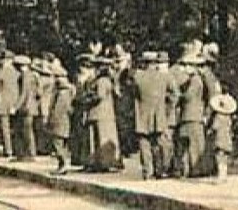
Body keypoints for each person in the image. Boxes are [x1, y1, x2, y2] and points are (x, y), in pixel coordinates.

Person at [170, 42, 209, 179]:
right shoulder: (194, 80)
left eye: (187, 66)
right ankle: (191, 169)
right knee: (191, 144)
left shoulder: (195, 80)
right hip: (192, 115)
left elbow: (188, 97)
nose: (185, 68)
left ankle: (197, 170)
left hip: (192, 115)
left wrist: (179, 96)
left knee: (194, 145)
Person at [132, 51, 173, 180]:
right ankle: (160, 169)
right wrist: (167, 108)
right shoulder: (164, 77)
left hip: (142, 114)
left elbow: (134, 94)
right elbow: (174, 94)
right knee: (158, 143)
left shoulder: (138, 77)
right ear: (155, 63)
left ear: (144, 63)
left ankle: (147, 171)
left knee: (144, 143)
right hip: (159, 114)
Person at [203, 44, 235, 181]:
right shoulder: (215, 77)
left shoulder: (209, 77)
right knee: (224, 155)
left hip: (219, 140)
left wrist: (208, 122)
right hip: (226, 140)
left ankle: (220, 174)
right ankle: (223, 174)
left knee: (219, 154)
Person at [86, 55, 122, 172]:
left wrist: (88, 98)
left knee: (101, 138)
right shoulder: (109, 81)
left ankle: (103, 163)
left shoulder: (101, 81)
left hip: (99, 113)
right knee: (105, 137)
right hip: (107, 113)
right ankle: (106, 162)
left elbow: (99, 96)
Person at [0, 51, 22, 158]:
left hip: (3, 104)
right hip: (16, 103)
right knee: (16, 127)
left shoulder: (1, 73)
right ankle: (18, 149)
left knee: (5, 128)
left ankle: (8, 151)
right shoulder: (18, 73)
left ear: (6, 61)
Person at [46, 59, 75, 174]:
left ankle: (64, 164)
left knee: (57, 144)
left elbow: (59, 110)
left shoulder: (63, 93)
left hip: (60, 122)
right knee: (59, 144)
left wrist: (51, 121)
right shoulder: (64, 91)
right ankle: (62, 164)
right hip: (63, 121)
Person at [10, 55, 36, 160]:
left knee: (26, 131)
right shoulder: (31, 75)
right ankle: (25, 154)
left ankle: (29, 154)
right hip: (29, 106)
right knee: (25, 130)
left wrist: (15, 107)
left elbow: (24, 93)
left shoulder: (26, 76)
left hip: (26, 107)